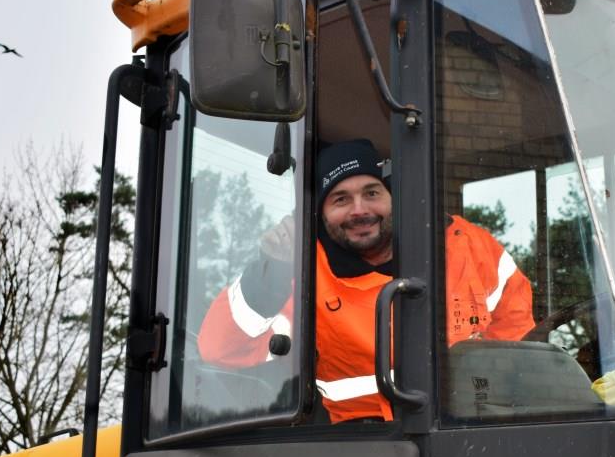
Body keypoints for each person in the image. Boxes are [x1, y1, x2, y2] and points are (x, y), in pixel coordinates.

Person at [199, 139, 534, 422]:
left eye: (372, 193)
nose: (359, 210)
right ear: (320, 214)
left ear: (393, 197)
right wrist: (271, 269)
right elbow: (221, 349)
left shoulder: (463, 244)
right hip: (362, 446)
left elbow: (516, 332)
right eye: (340, 199)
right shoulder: (304, 275)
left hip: (468, 429)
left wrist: (487, 397)